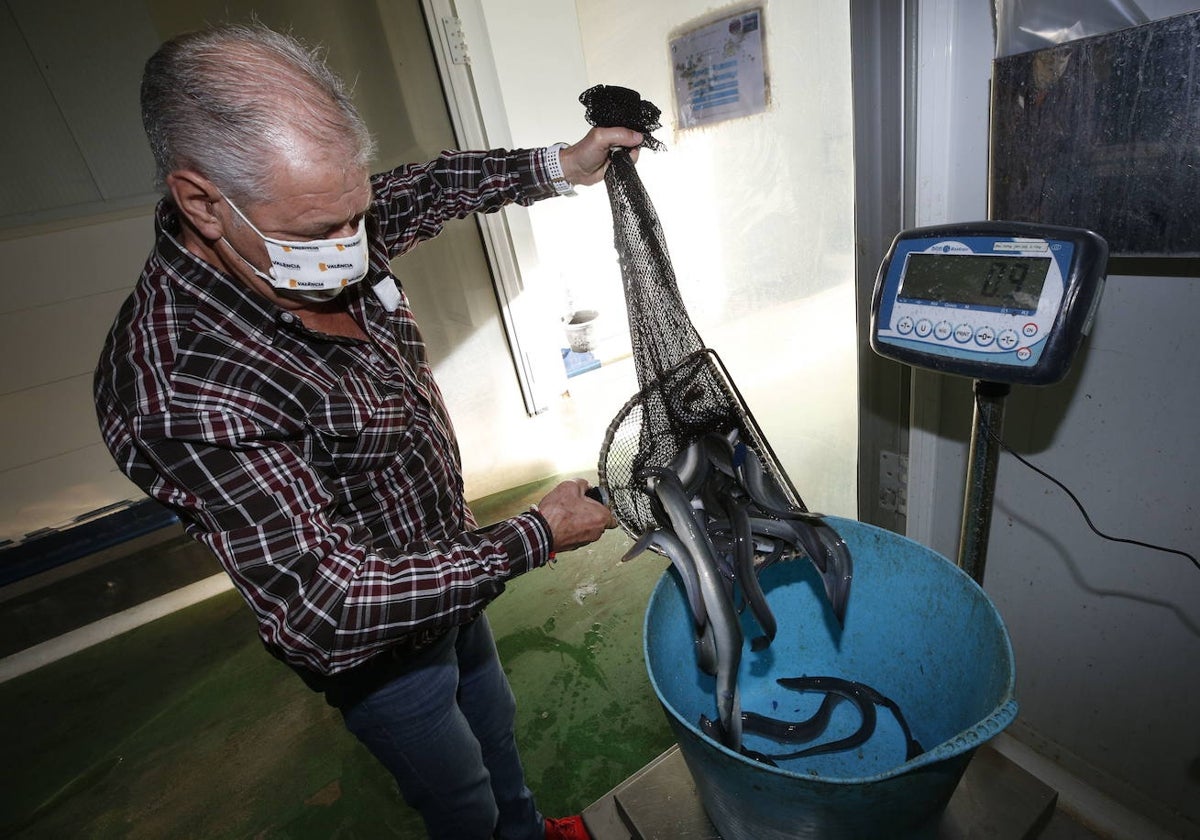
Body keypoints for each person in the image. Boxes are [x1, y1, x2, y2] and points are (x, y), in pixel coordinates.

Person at [94, 22, 642, 840]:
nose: (350, 251)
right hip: (380, 650)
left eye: (354, 215)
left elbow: (424, 189)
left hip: (449, 568)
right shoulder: (178, 383)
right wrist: (536, 535)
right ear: (203, 203)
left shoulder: (303, 222)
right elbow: (329, 602)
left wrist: (557, 166)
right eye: (320, 232)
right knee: (457, 793)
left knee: (496, 729)